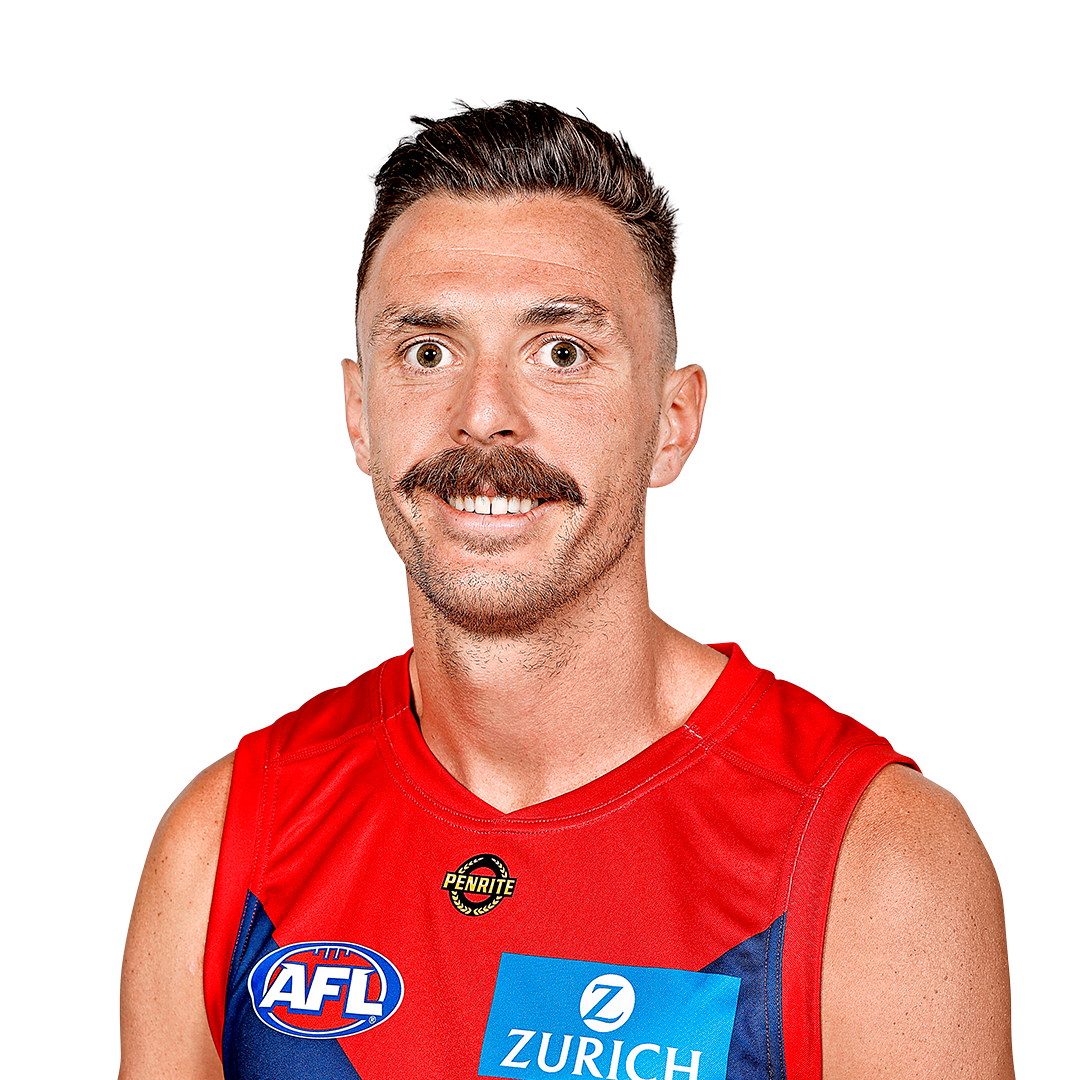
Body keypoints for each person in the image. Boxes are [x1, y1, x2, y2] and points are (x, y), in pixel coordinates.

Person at [118, 95, 1014, 1080]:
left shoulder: (874, 863)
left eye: (561, 352)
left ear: (671, 423)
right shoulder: (224, 847)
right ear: (359, 413)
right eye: (428, 352)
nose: (484, 415)